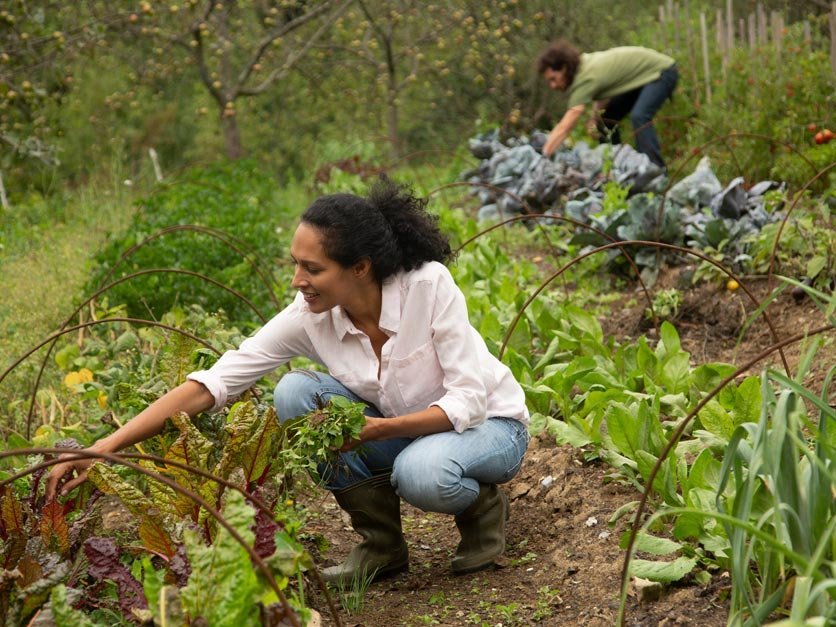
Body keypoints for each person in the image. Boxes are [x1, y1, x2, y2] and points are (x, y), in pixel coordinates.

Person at [45, 177, 530, 583]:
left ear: (360, 268)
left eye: (312, 268)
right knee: (295, 392)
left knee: (421, 474)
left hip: (490, 427)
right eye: (295, 264)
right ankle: (382, 547)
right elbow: (212, 384)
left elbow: (468, 400)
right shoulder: (309, 316)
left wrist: (377, 430)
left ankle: (481, 510)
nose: (297, 280)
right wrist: (105, 445)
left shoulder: (428, 285)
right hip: (408, 432)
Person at [537, 40, 678, 168]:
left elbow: (566, 125)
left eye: (553, 79)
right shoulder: (583, 65)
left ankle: (655, 170)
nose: (552, 86)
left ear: (564, 68)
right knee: (604, 121)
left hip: (661, 72)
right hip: (641, 79)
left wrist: (543, 155)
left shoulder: (584, 77)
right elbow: (604, 88)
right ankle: (612, 167)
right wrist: (594, 117)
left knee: (639, 116)